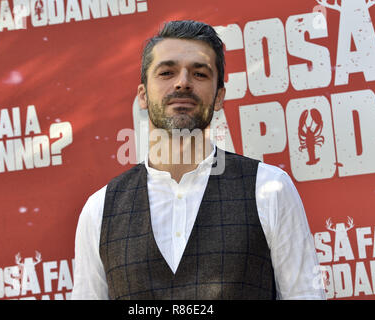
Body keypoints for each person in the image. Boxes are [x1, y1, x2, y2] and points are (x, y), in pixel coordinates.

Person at [71, 20, 326, 300]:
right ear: (143, 96)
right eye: (167, 72)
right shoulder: (100, 210)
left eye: (199, 74)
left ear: (219, 97)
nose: (182, 82)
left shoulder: (270, 189)